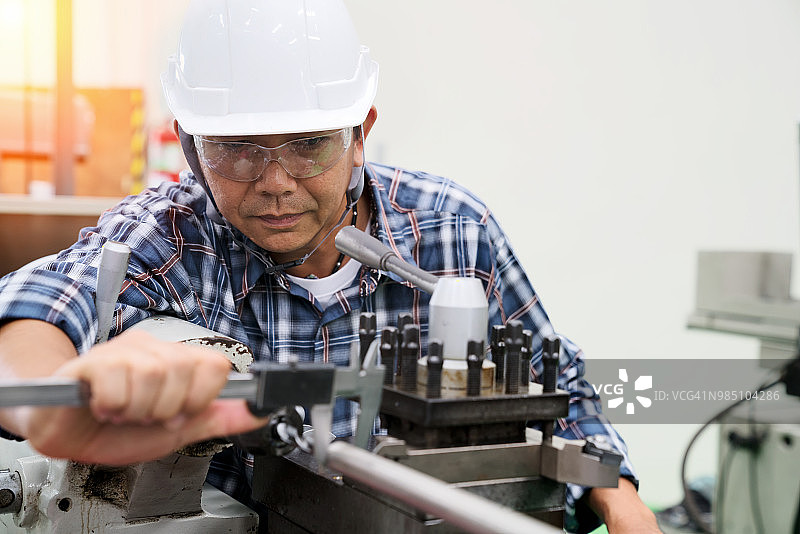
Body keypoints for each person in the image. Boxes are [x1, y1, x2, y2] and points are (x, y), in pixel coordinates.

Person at [0, 1, 661, 532]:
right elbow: (46, 302)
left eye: (310, 145)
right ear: (192, 149)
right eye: (237, 150)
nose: (277, 182)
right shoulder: (175, 238)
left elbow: (560, 383)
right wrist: (46, 404)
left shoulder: (454, 231)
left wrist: (622, 503)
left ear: (360, 133)